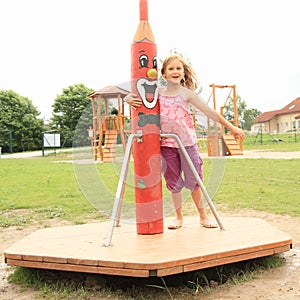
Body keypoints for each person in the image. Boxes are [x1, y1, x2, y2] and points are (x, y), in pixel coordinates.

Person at [126, 53, 245, 230]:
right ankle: (178, 217)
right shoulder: (158, 93)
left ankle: (203, 216)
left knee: (194, 181)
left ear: (183, 72)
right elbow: (139, 99)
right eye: (171, 68)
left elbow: (210, 112)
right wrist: (128, 99)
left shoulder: (186, 94)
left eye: (178, 68)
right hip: (167, 144)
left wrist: (232, 128)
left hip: (187, 143)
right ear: (164, 74)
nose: (175, 71)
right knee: (174, 183)